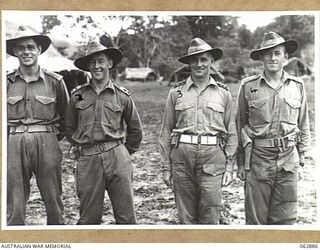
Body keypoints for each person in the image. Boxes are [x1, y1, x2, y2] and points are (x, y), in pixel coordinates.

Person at [159, 38, 237, 224]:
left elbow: (231, 132)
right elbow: (166, 131)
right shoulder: (176, 93)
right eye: (194, 60)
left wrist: (229, 166)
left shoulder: (223, 93)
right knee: (186, 216)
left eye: (203, 59)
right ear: (189, 64)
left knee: (210, 213)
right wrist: (165, 167)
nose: (199, 64)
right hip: (182, 159)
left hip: (213, 159)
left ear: (211, 61)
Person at [236, 31, 311, 225]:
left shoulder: (298, 86)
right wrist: (241, 163)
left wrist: (301, 158)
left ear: (286, 57)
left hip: (288, 159)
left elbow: (303, 123)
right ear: (261, 58)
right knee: (256, 221)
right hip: (258, 159)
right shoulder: (248, 86)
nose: (272, 57)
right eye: (267, 53)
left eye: (277, 53)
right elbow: (239, 126)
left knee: (286, 220)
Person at [65, 41, 143, 225]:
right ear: (87, 67)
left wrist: (121, 153)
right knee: (88, 218)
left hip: (117, 157)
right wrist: (83, 149)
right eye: (92, 62)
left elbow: (136, 130)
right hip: (88, 159)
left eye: (100, 61)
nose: (96, 66)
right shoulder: (77, 95)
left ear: (110, 64)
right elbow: (68, 128)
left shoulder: (122, 96)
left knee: (126, 217)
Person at [6, 26, 69, 225]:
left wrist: (49, 137)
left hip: (47, 142)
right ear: (15, 51)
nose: (26, 52)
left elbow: (67, 117)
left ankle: (57, 237)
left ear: (39, 50)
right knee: (14, 202)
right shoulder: (5, 82)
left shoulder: (55, 81)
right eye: (21, 48)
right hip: (14, 142)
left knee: (53, 198)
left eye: (31, 47)